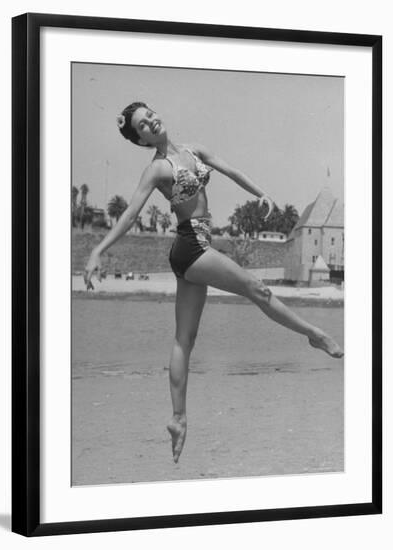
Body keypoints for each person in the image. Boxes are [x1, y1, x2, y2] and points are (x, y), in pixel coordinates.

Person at [83, 101, 344, 464]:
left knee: (184, 340)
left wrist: (260, 193)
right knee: (259, 289)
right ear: (140, 139)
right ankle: (314, 334)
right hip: (190, 246)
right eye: (143, 125)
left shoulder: (194, 150)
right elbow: (129, 215)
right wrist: (98, 251)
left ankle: (177, 419)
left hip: (200, 244)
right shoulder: (158, 168)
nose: (151, 122)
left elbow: (232, 170)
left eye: (150, 115)